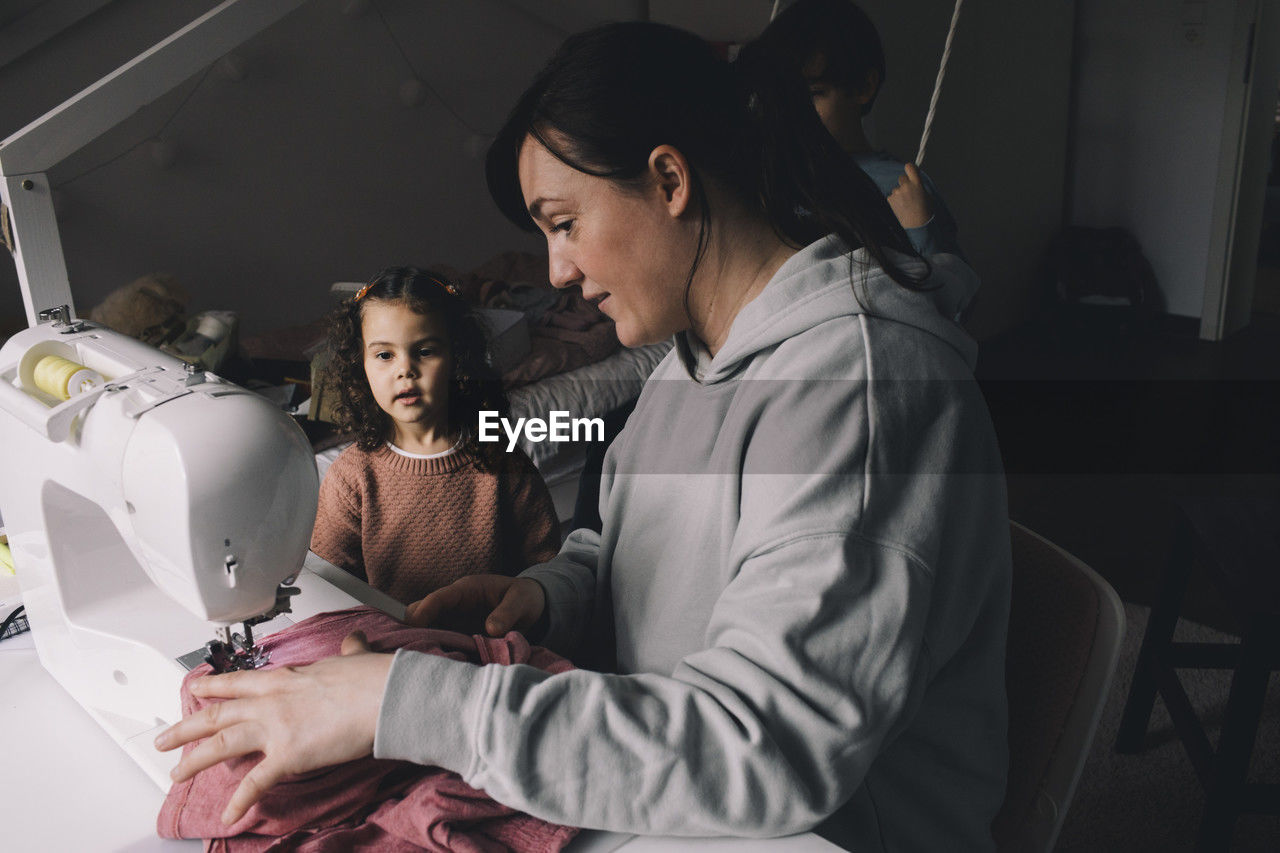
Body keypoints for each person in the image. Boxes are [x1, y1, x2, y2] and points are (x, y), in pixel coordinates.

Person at [156, 22, 1011, 851]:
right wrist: (547, 593)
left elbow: (769, 746)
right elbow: (636, 551)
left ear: (670, 181)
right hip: (677, 796)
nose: (558, 271)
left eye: (563, 223)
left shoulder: (859, 390)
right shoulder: (691, 361)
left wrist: (403, 703)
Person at [309, 265, 560, 604]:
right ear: (360, 365)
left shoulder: (500, 459)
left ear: (457, 358)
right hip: (397, 647)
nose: (405, 370)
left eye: (424, 351)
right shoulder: (351, 478)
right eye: (384, 355)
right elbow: (330, 588)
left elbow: (547, 568)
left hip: (495, 642)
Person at [756, 0, 964, 259]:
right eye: (781, 97)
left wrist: (921, 229)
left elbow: (956, 294)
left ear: (864, 87)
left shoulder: (903, 189)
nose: (791, 111)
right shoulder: (767, 178)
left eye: (813, 94)